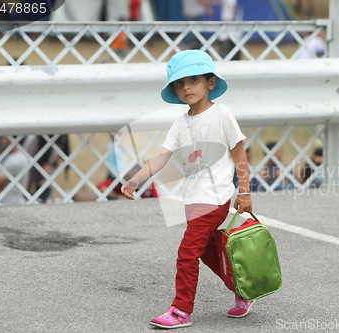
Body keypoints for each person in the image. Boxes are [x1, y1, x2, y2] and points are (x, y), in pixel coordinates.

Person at [120, 50, 253, 329]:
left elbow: (240, 155)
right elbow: (161, 157)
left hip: (214, 200)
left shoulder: (222, 115)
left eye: (193, 80)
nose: (186, 88)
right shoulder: (180, 124)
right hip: (192, 201)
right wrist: (135, 180)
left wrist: (245, 192)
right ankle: (244, 289)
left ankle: (181, 311)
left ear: (211, 83)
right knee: (209, 254)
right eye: (179, 84)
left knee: (186, 254)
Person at [0, 136, 30, 206]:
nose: (3, 141)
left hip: (7, 204)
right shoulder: (21, 156)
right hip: (15, 202)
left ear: (10, 139)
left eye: (4, 138)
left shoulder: (14, 160)